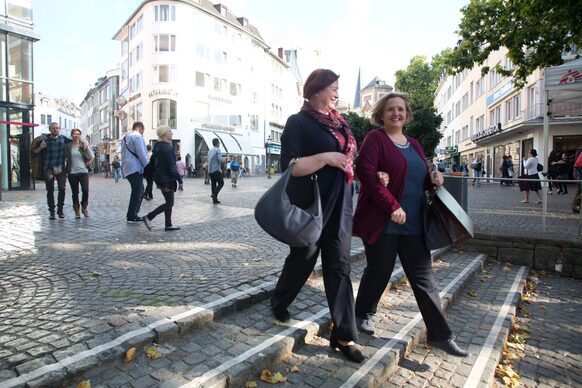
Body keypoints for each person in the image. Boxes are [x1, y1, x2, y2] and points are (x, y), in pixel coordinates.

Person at [352, 92, 469, 358]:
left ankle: (441, 335)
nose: (396, 113)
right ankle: (362, 313)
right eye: (391, 109)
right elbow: (368, 175)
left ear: (407, 114)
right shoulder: (375, 139)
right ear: (381, 114)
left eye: (401, 109)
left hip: (415, 223)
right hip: (384, 221)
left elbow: (420, 178)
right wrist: (392, 205)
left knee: (424, 280)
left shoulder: (414, 144)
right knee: (379, 271)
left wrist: (435, 178)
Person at [270, 69, 365, 363]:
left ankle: (343, 335)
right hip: (311, 203)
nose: (337, 94)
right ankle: (279, 301)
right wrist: (325, 158)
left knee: (339, 264)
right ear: (316, 89)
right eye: (333, 88)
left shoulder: (339, 123)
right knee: (303, 258)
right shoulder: (297, 122)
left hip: (341, 203)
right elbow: (291, 166)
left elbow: (348, 161)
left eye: (338, 88)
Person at [142, 126, 182, 232]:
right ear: (165, 134)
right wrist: (180, 180)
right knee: (169, 203)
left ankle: (168, 224)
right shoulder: (168, 148)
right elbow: (172, 166)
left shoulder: (158, 146)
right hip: (167, 178)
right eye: (170, 131)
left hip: (160, 177)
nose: (172, 133)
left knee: (169, 201)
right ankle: (148, 217)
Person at [30, 122, 72, 219]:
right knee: (50, 190)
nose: (55, 130)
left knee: (62, 188)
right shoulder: (43, 140)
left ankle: (60, 210)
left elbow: (75, 142)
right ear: (49, 129)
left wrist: (85, 141)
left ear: (59, 129)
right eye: (53, 128)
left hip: (60, 168)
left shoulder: (63, 139)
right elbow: (33, 152)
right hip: (47, 168)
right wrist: (41, 147)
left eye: (57, 128)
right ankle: (52, 212)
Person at [121, 121, 149, 222]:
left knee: (138, 190)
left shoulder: (125, 137)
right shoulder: (137, 137)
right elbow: (142, 154)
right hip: (135, 167)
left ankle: (132, 214)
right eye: (143, 130)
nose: (143, 132)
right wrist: (148, 167)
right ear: (140, 128)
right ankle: (132, 215)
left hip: (128, 168)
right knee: (138, 191)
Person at [65, 128, 94, 218]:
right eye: (74, 134)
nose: (76, 135)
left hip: (83, 171)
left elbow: (92, 156)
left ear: (80, 135)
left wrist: (89, 162)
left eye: (78, 134)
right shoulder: (67, 146)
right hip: (72, 172)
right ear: (71, 135)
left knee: (85, 190)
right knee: (75, 192)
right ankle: (77, 211)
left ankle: (84, 208)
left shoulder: (83, 145)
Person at [207, 138, 224, 204]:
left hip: (210, 170)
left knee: (213, 184)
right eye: (219, 143)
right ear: (217, 143)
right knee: (221, 183)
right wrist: (225, 159)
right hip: (216, 169)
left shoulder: (210, 151)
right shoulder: (218, 150)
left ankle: (214, 199)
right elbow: (220, 160)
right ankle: (214, 194)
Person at [571, 146, 582, 213]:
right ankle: (575, 203)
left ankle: (575, 205)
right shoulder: (580, 149)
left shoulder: (579, 149)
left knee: (579, 189)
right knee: (580, 189)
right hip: (580, 168)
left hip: (578, 168)